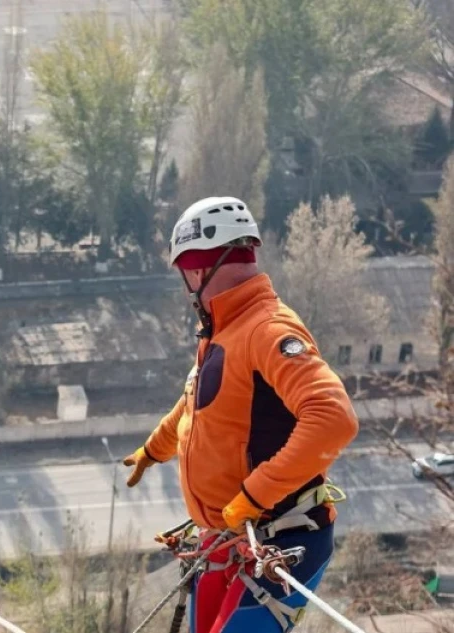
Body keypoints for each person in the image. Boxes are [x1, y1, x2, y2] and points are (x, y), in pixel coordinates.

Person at [122, 197, 358, 632]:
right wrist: (153, 450)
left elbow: (333, 418)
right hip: (230, 541)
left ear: (195, 269)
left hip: (280, 541)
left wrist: (254, 496)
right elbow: (196, 406)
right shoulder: (224, 331)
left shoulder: (267, 330)